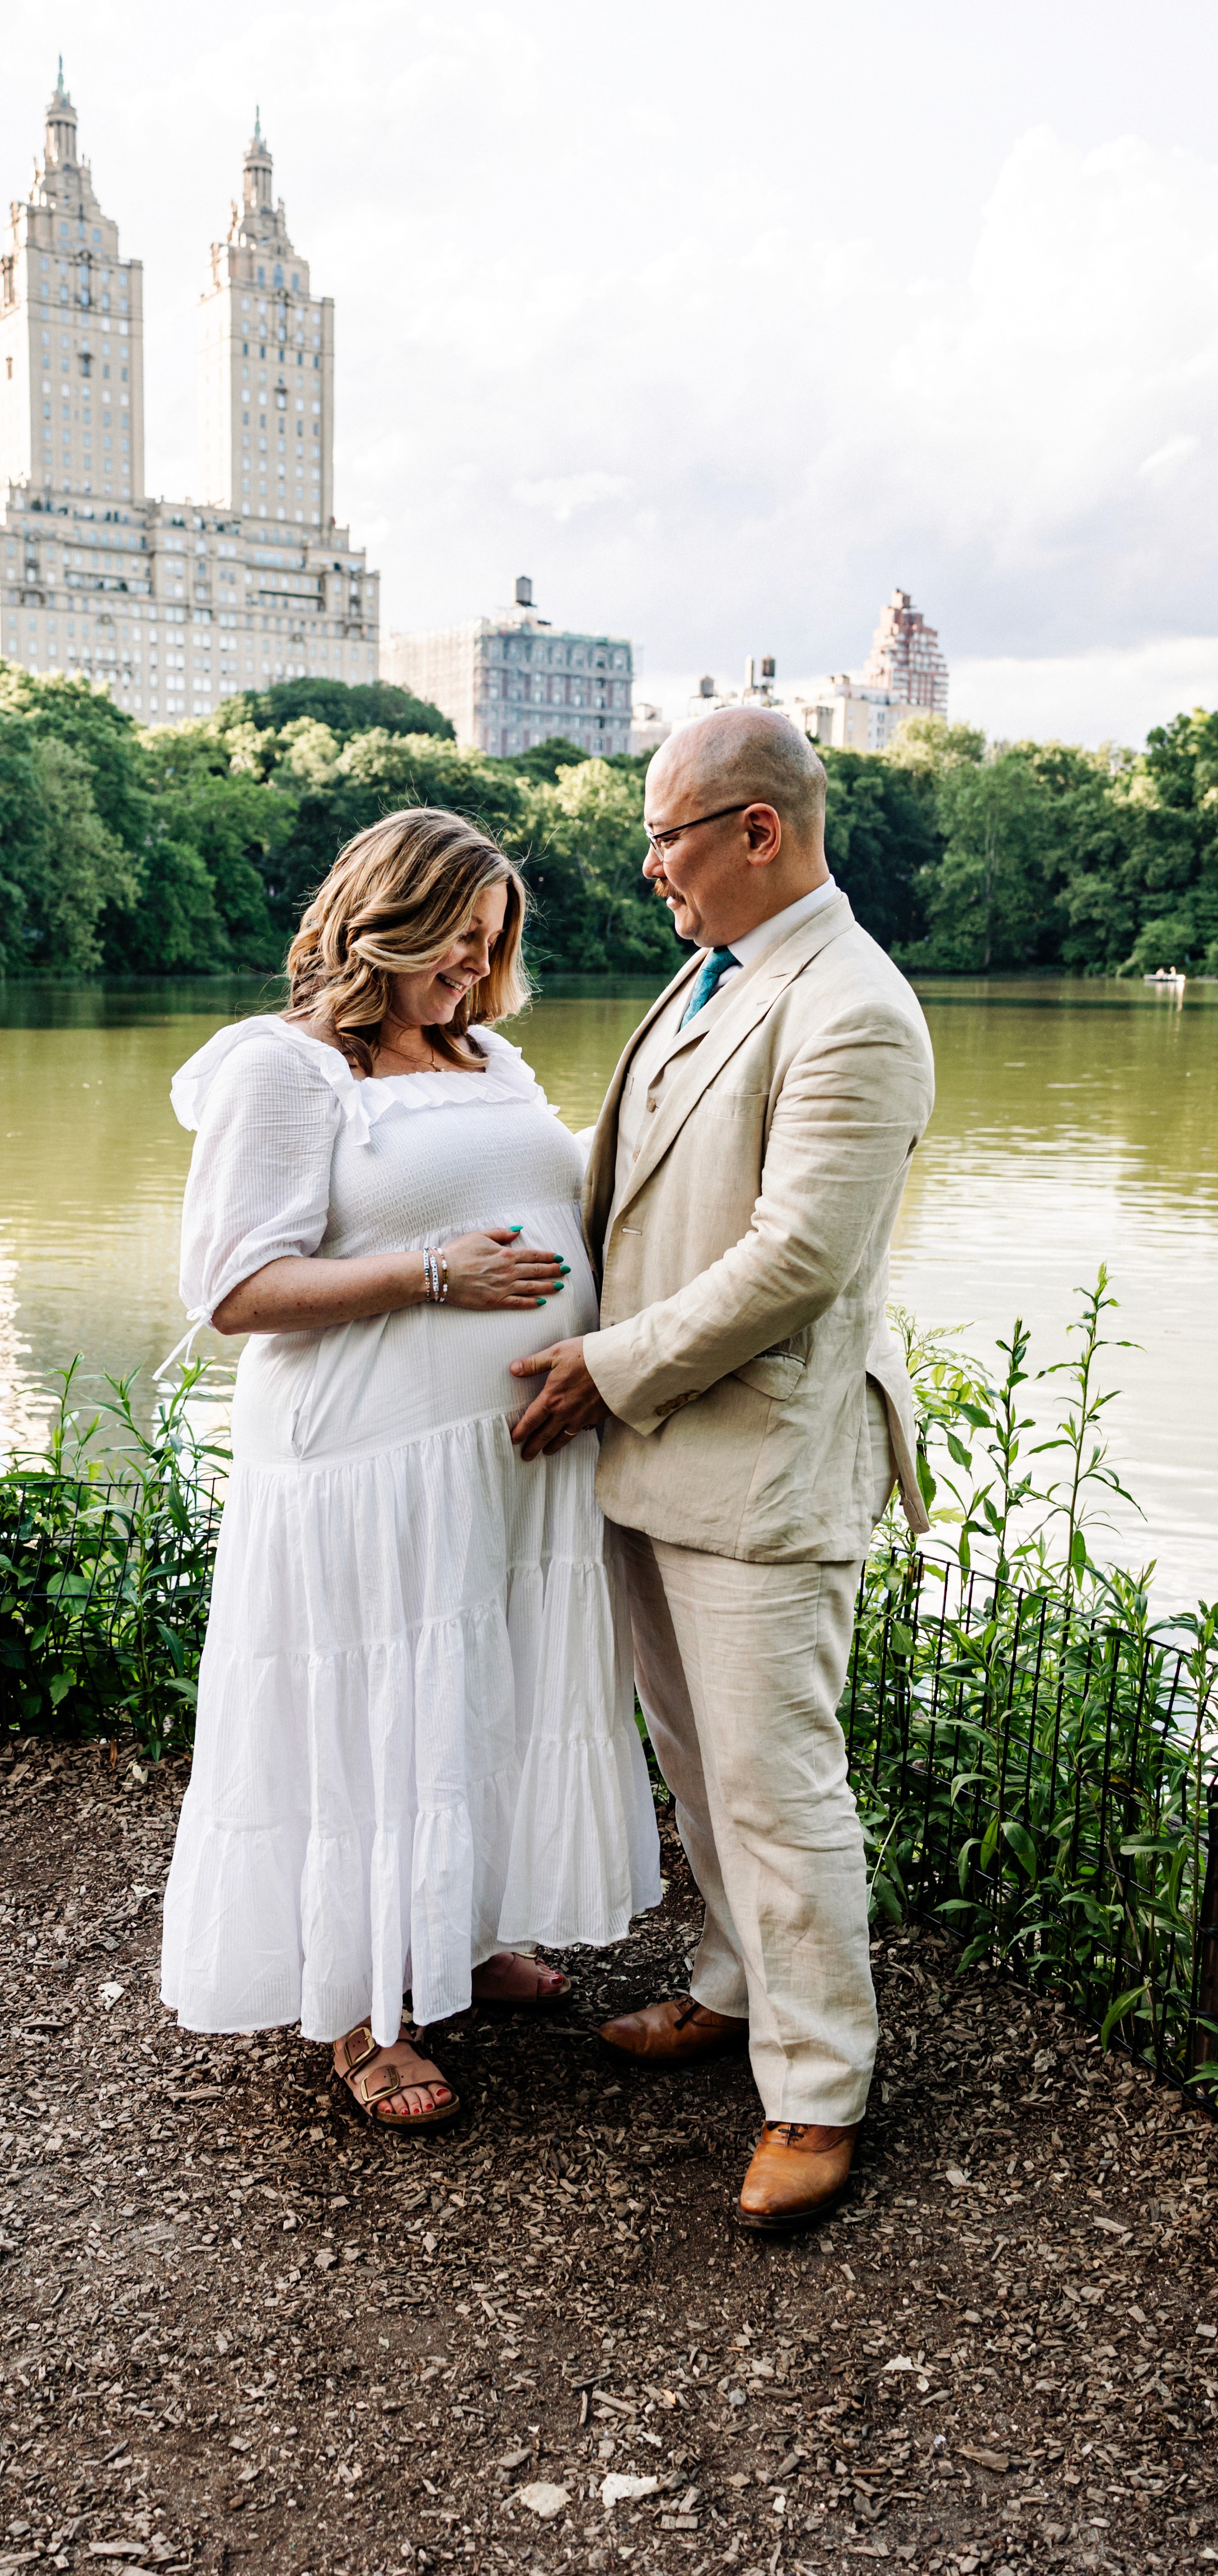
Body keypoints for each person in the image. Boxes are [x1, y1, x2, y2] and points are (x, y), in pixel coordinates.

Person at [157, 806, 659, 2129]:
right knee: (373, 1714)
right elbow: (235, 1289)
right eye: (457, 938)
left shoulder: (489, 1056)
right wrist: (435, 1274)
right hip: (365, 1468)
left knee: (476, 1693)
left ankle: (457, 1932)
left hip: (503, 1461)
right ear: (386, 919)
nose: (477, 967)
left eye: (494, 942)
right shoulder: (284, 1069)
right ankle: (364, 2008)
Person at [507, 708, 934, 2231]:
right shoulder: (718, 971)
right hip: (659, 1451)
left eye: (666, 836)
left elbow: (798, 1257)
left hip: (759, 1459)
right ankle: (737, 1982)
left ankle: (819, 2088)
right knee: (697, 1762)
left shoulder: (855, 1006)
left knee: (774, 1785)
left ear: (759, 831)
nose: (650, 866)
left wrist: (607, 1367)